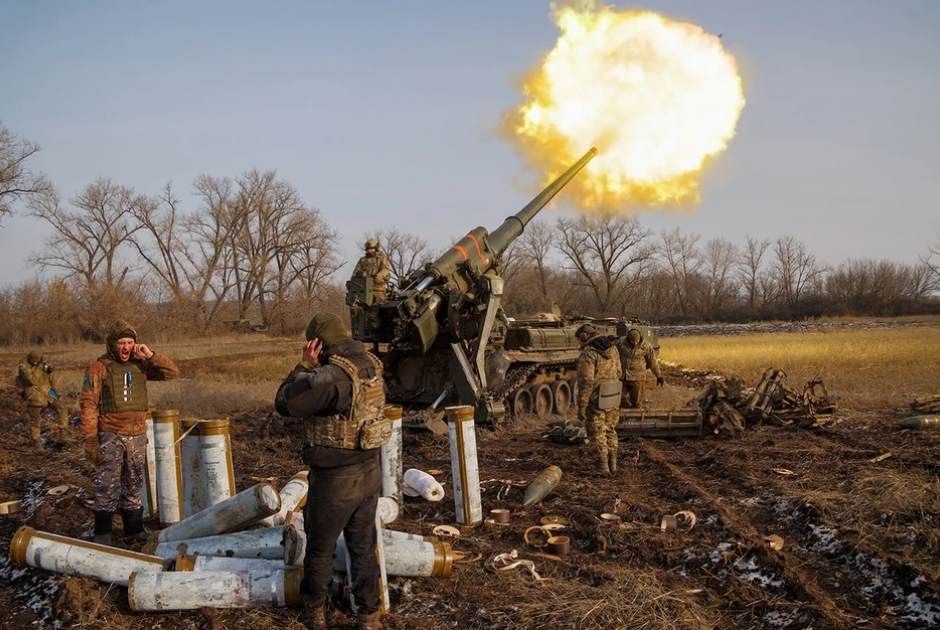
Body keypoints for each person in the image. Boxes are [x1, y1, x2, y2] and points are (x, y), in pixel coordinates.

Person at [275, 313, 390, 630]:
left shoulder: (331, 375)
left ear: (318, 343)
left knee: (320, 550)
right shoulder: (371, 365)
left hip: (336, 479)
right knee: (363, 548)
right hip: (370, 470)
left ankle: (316, 615)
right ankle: (368, 617)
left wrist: (304, 365)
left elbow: (286, 402)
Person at [80, 320, 179, 545]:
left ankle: (134, 530)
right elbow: (88, 403)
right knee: (107, 484)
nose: (126, 347)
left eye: (130, 342)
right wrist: (89, 439)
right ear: (112, 344)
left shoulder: (141, 364)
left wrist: (150, 354)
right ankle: (102, 534)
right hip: (110, 435)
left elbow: (171, 372)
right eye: (121, 342)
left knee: (134, 483)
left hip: (136, 435)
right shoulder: (99, 368)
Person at [575, 324, 622, 476]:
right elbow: (619, 371)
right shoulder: (613, 349)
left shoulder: (589, 353)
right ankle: (613, 465)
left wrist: (582, 405)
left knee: (597, 432)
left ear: (584, 337)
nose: (578, 343)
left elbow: (586, 381)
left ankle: (602, 467)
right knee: (610, 430)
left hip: (597, 398)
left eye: (578, 340)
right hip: (613, 395)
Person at [15, 349, 70, 451]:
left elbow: (52, 378)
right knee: (35, 420)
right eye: (33, 361)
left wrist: (58, 393)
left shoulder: (44, 363)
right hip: (33, 395)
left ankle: (63, 432)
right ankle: (37, 443)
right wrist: (41, 367)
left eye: (37, 361)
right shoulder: (23, 365)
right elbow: (32, 380)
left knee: (62, 408)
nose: (35, 363)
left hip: (47, 393)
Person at [616, 328, 664, 409]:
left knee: (637, 404)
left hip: (638, 378)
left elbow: (652, 361)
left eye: (637, 341)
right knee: (617, 397)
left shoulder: (646, 346)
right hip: (623, 377)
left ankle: (635, 417)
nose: (635, 343)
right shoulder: (621, 342)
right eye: (632, 341)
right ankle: (627, 411)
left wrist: (659, 376)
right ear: (628, 339)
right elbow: (612, 351)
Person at [352, 239, 391, 303]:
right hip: (363, 289)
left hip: (378, 289)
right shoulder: (362, 260)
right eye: (368, 249)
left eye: (371, 249)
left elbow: (385, 269)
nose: (369, 251)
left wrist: (379, 276)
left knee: (378, 306)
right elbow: (356, 272)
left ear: (375, 248)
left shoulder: (381, 258)